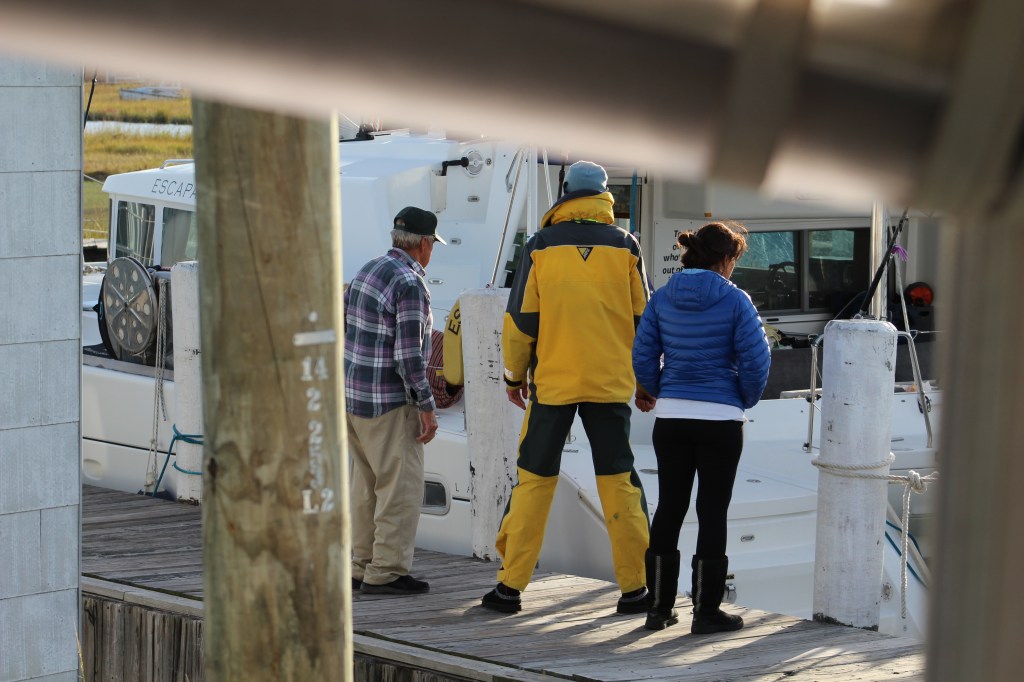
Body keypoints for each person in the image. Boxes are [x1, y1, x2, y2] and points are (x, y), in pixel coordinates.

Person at [480, 161, 652, 615]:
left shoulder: (540, 246)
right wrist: (647, 379)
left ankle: (510, 588)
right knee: (618, 482)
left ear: (565, 193)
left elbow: (520, 322)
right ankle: (636, 588)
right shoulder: (626, 246)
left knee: (534, 482)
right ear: (603, 197)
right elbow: (644, 321)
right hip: (611, 386)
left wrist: (515, 377)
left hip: (553, 386)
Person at [631, 221, 771, 634]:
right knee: (712, 512)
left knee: (670, 508)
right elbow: (757, 361)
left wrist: (656, 390)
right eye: (733, 261)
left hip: (671, 418)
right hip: (720, 420)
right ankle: (705, 613)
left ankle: (657, 609)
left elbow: (643, 353)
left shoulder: (662, 297)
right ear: (725, 260)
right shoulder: (736, 300)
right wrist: (740, 398)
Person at [344, 206, 445, 595]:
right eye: (432, 245)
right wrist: (426, 407)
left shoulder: (366, 271)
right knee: (399, 488)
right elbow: (409, 356)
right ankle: (386, 571)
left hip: (354, 398)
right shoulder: (409, 284)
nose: (431, 251)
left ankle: (360, 565)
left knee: (365, 487)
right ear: (423, 244)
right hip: (389, 402)